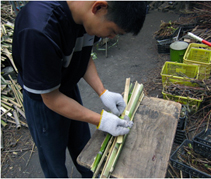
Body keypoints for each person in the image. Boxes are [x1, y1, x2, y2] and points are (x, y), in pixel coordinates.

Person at [12, 1, 147, 178]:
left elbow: (82, 54)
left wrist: (102, 91)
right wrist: (101, 120)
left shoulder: (87, 17)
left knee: (84, 147)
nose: (111, 37)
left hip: (68, 88)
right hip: (44, 103)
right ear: (98, 7)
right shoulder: (39, 30)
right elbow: (51, 98)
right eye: (113, 31)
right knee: (54, 162)